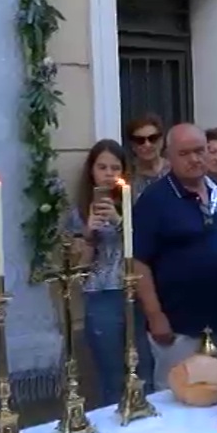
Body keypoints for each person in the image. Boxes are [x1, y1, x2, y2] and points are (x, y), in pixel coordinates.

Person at [133, 123, 217, 390]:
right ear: (169, 156)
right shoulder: (155, 200)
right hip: (177, 324)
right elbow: (139, 262)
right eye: (185, 153)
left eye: (200, 151)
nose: (195, 159)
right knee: (177, 395)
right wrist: (155, 314)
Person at [67, 139, 153, 405]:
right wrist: (89, 235)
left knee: (144, 367)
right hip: (101, 294)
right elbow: (78, 268)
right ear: (91, 170)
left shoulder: (138, 204)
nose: (109, 173)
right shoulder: (79, 211)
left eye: (115, 168)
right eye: (102, 167)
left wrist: (120, 223)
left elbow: (146, 247)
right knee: (111, 372)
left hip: (136, 292)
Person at [125, 113, 169, 198]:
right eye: (140, 140)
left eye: (153, 138)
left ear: (162, 140)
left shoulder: (175, 171)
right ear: (132, 145)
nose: (147, 144)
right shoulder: (127, 176)